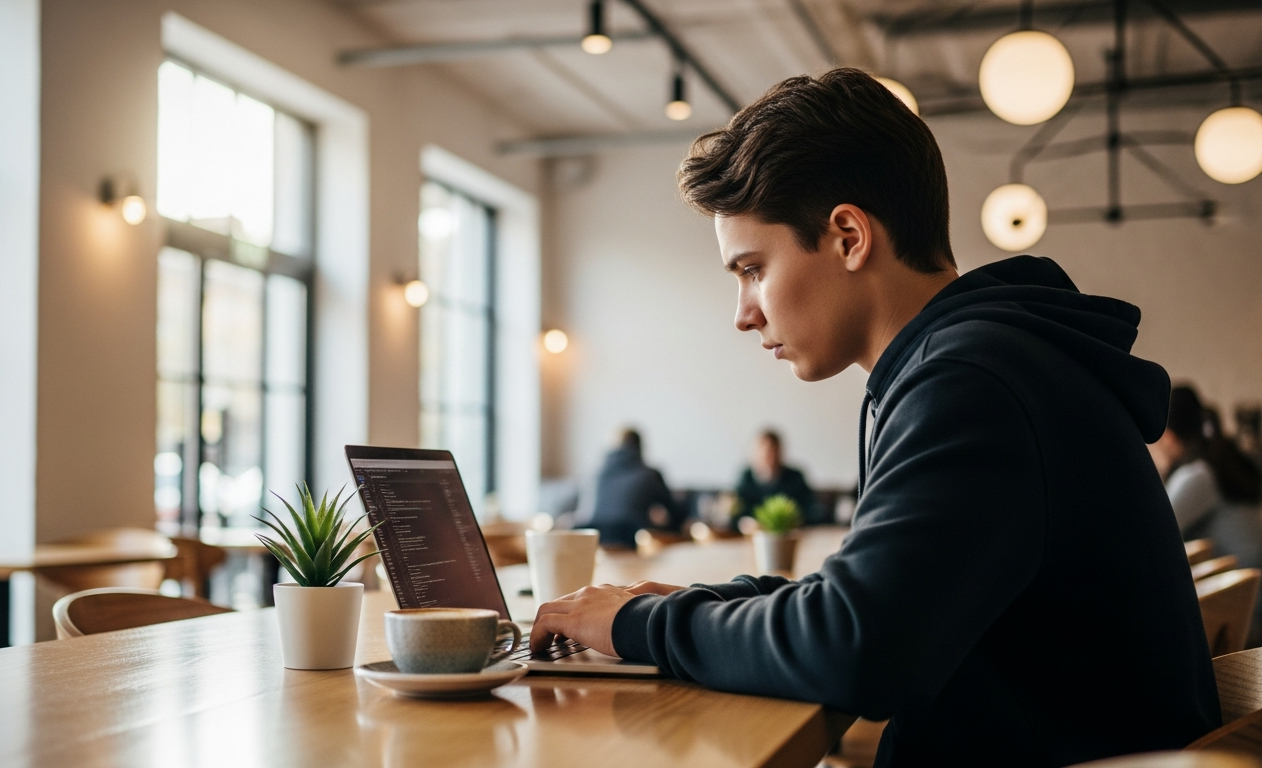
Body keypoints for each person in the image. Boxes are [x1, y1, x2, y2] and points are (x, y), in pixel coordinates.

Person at [530, 68, 1218, 766]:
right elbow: (869, 604)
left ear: (849, 237)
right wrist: (691, 603)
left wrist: (644, 625)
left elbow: (857, 649)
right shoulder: (989, 361)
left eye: (751, 269)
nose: (743, 313)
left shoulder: (972, 382)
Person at [1149, 385, 1262, 574]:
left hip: (1242, 595)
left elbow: (1153, 530)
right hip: (1251, 584)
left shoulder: (1197, 476)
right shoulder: (1217, 462)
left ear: (1168, 437)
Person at [587, 429, 685, 548]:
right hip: (632, 540)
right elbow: (674, 512)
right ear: (639, 447)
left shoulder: (596, 475)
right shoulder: (649, 475)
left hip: (596, 539)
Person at [734, 429, 827, 527]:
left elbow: (811, 508)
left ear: (779, 452)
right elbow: (739, 510)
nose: (766, 455)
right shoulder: (746, 477)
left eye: (771, 451)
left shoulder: (795, 477)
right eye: (762, 450)